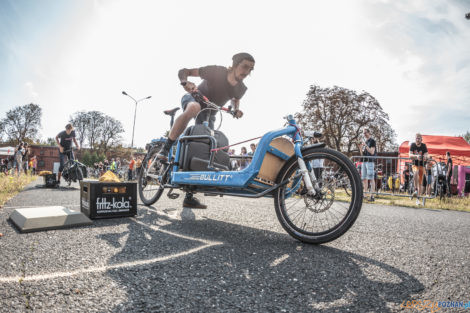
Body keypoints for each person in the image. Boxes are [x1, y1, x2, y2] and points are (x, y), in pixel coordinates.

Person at [157, 52, 255, 209]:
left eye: (251, 69)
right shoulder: (216, 71)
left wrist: (237, 110)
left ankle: (189, 195)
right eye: (244, 66)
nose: (247, 72)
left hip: (211, 112)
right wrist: (185, 82)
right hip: (194, 99)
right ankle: (165, 148)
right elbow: (184, 71)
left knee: (206, 146)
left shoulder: (241, 88)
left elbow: (235, 100)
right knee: (195, 107)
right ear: (235, 64)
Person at [358, 128, 377, 202]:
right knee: (364, 179)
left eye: (365, 133)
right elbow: (362, 154)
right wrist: (360, 148)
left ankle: (372, 196)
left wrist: (365, 145)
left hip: (370, 162)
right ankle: (365, 195)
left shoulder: (372, 141)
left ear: (369, 133)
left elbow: (372, 152)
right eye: (363, 133)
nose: (364, 134)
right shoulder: (365, 141)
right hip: (364, 161)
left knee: (371, 179)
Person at [409, 133, 428, 205]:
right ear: (415, 139)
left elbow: (426, 154)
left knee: (420, 183)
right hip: (415, 164)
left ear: (421, 139)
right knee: (415, 172)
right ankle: (415, 190)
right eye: (416, 138)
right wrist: (416, 156)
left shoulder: (424, 146)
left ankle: (417, 200)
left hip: (422, 165)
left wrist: (425, 156)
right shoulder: (413, 145)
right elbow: (410, 155)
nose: (417, 139)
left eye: (419, 138)